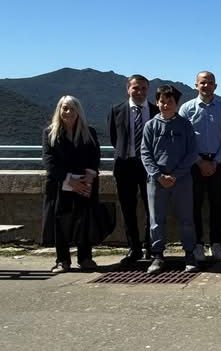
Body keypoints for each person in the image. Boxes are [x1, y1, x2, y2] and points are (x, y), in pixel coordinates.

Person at [141, 86, 200, 275]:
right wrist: (159, 175)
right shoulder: (150, 126)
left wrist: (175, 175)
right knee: (156, 220)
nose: (166, 105)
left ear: (176, 104)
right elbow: (145, 153)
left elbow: (192, 153)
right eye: (162, 101)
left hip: (181, 180)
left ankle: (189, 254)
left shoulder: (185, 125)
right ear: (157, 102)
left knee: (186, 219)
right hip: (156, 181)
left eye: (170, 102)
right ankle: (157, 256)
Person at [42, 96, 101, 273]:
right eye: (65, 108)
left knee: (84, 220)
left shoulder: (89, 132)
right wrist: (69, 180)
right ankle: (62, 260)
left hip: (84, 183)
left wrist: (90, 175)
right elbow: (49, 161)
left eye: (72, 109)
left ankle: (85, 258)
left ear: (78, 112)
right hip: (61, 184)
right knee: (60, 222)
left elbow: (95, 156)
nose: (68, 112)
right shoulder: (49, 133)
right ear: (59, 110)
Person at [179, 70, 221, 262]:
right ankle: (198, 244)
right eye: (202, 82)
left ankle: (216, 243)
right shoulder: (186, 109)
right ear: (196, 85)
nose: (206, 86)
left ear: (215, 86)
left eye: (210, 83)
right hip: (194, 163)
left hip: (218, 162)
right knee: (194, 205)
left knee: (217, 205)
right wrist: (199, 161)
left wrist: (216, 161)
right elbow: (183, 140)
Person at [107, 74, 158, 267]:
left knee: (151, 208)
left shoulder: (155, 110)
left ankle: (150, 246)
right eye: (136, 88)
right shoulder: (116, 110)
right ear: (128, 89)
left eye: (144, 88)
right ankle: (133, 248)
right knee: (127, 209)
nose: (140, 92)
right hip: (125, 165)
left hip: (149, 166)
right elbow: (114, 138)